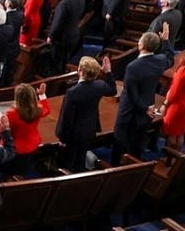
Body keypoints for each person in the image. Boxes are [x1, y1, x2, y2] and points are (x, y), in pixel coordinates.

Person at [114, 33, 171, 161]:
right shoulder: (161, 60)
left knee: (121, 143)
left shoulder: (132, 67)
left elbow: (131, 94)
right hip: (147, 108)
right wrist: (166, 40)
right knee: (138, 142)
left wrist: (145, 108)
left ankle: (117, 166)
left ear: (141, 45)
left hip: (130, 111)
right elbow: (170, 57)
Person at [58, 57, 115, 172]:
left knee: (68, 162)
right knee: (81, 159)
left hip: (73, 135)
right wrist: (108, 71)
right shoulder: (100, 85)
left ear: (81, 71)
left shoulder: (72, 92)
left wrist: (63, 138)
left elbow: (67, 119)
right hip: (89, 130)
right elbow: (113, 90)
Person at [4, 82, 51, 176]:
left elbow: (1, 131)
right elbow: (47, 109)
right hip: (32, 145)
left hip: (15, 150)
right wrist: (42, 95)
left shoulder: (11, 114)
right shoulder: (38, 110)